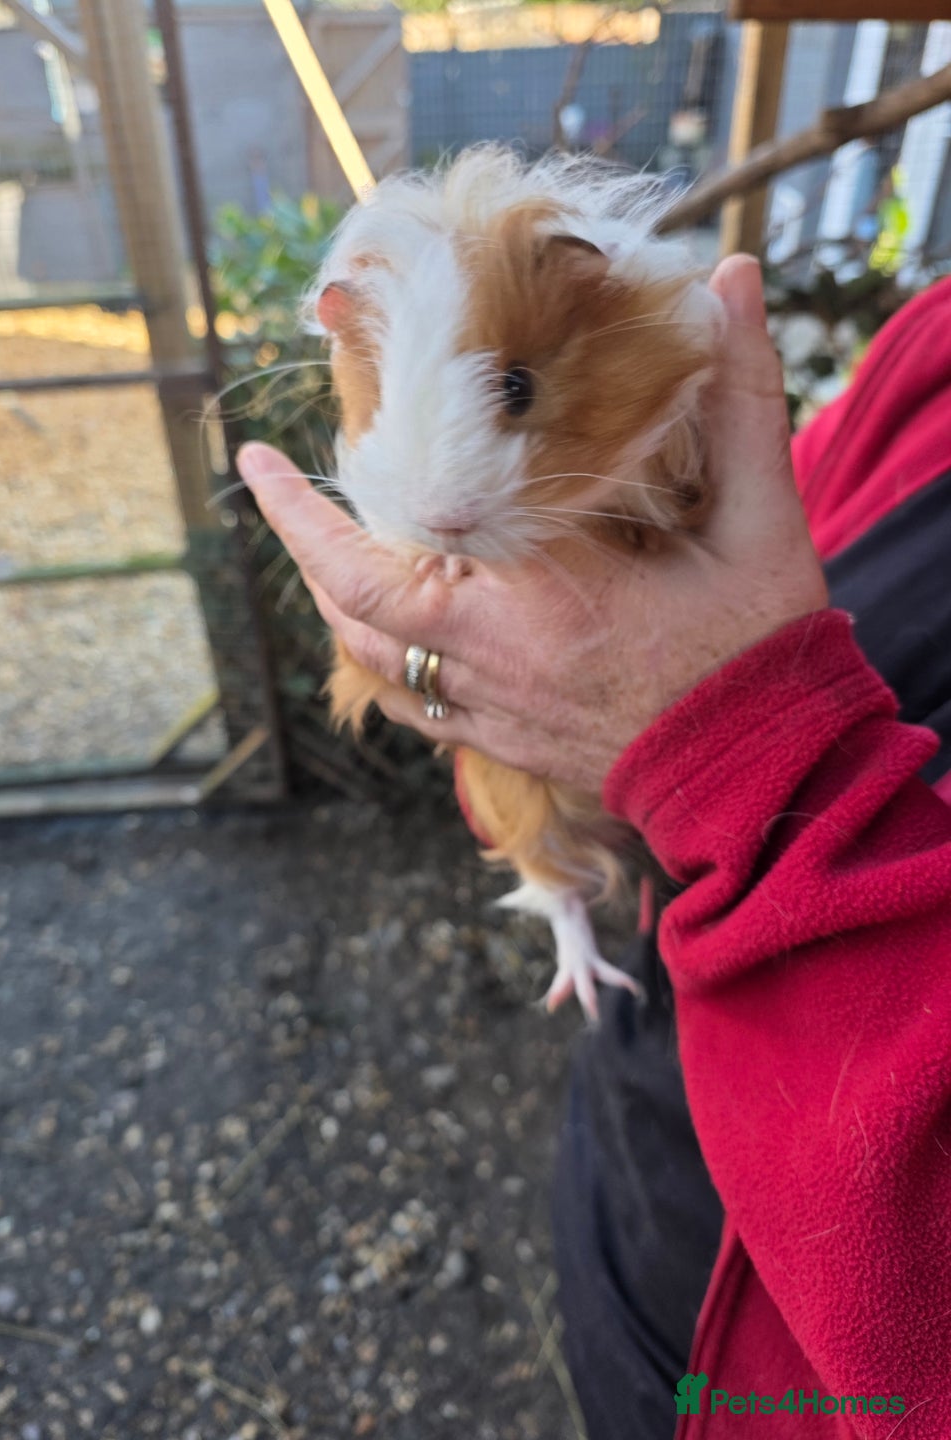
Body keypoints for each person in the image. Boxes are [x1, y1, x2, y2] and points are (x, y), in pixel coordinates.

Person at [236, 255, 951, 1437]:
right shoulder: (931, 348)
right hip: (644, 1186)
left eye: (512, 388)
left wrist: (717, 743)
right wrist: (511, 707)